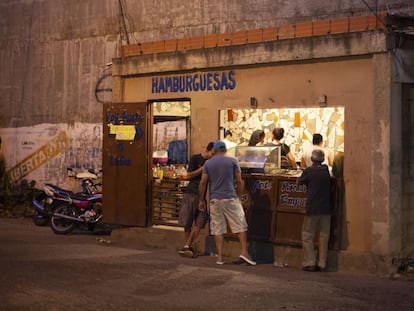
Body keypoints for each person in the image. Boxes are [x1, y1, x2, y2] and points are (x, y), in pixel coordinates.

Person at [198, 140, 256, 266]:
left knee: (218, 228)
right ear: (225, 150)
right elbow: (239, 181)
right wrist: (239, 196)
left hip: (214, 199)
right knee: (240, 225)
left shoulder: (208, 163)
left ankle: (219, 257)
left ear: (214, 150)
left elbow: (203, 183)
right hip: (230, 197)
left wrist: (202, 199)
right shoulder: (233, 161)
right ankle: (244, 253)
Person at [178, 141, 215, 258]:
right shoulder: (196, 159)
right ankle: (187, 247)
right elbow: (189, 175)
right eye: (213, 153)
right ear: (208, 150)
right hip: (191, 193)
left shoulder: (213, 163)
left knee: (201, 221)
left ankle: (187, 246)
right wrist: (204, 168)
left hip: (202, 197)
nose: (214, 156)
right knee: (188, 222)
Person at [298, 149, 331, 272]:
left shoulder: (309, 171)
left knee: (308, 235)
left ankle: (310, 262)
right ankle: (322, 263)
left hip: (312, 207)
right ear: (322, 159)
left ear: (312, 159)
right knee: (324, 236)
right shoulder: (326, 170)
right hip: (326, 208)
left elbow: (300, 181)